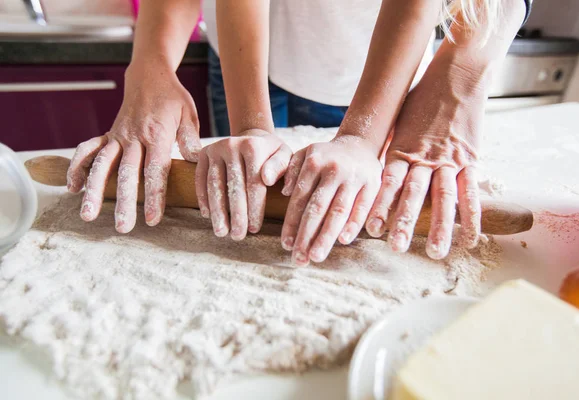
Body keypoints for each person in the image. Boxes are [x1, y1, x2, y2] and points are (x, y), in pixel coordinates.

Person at [66, 0, 531, 266]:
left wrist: (464, 65)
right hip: (252, 51)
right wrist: (152, 63)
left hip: (381, 59)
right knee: (247, 176)